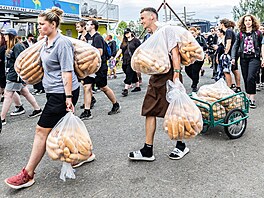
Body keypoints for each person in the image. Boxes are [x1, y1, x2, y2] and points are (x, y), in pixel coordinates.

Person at [4, 7, 94, 189]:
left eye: (41, 24)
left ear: (53, 24)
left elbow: (67, 72)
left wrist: (68, 97)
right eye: (38, 24)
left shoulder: (62, 44)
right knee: (62, 127)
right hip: (53, 91)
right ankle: (85, 153)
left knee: (41, 130)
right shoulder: (45, 42)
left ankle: (27, 174)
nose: (38, 27)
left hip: (63, 92)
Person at [128, 7, 189, 162]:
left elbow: (174, 53)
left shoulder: (166, 30)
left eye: (142, 18)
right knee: (149, 109)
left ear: (152, 17)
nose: (141, 21)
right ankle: (148, 150)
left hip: (169, 75)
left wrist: (176, 74)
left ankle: (181, 145)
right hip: (156, 77)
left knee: (175, 111)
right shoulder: (152, 35)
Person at [79, 19, 120, 120]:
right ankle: (87, 111)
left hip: (99, 68)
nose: (86, 26)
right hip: (90, 68)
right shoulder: (87, 37)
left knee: (103, 87)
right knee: (87, 87)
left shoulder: (97, 38)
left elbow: (99, 53)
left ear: (93, 26)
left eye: (88, 24)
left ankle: (115, 104)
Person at [0, 28, 42, 125]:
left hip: (15, 76)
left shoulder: (17, 46)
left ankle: (2, 118)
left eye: (6, 35)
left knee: (7, 95)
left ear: (10, 36)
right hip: (14, 75)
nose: (4, 37)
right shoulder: (12, 46)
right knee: (25, 92)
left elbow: (22, 62)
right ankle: (37, 109)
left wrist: (23, 76)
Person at [231, 14, 263, 109]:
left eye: (249, 20)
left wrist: (263, 58)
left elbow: (262, 46)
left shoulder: (258, 33)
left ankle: (252, 98)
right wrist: (233, 58)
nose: (248, 22)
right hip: (244, 58)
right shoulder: (240, 34)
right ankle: (248, 96)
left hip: (255, 58)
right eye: (246, 20)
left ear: (253, 22)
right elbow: (235, 46)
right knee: (245, 77)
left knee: (251, 77)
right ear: (243, 22)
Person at [75, 20, 96, 110]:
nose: (77, 29)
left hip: (89, 65)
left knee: (87, 86)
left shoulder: (89, 37)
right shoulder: (80, 36)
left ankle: (87, 107)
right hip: (82, 64)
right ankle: (91, 99)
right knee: (85, 85)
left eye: (78, 27)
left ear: (83, 27)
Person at [114, 28, 141, 97]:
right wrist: (115, 57)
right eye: (125, 33)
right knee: (128, 71)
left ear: (131, 32)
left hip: (132, 60)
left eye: (128, 33)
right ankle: (137, 86)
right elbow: (120, 50)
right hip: (125, 60)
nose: (127, 34)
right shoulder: (124, 41)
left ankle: (126, 89)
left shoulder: (136, 41)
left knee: (129, 72)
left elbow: (139, 50)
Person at [219, 18, 241, 92]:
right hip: (234, 53)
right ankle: (237, 86)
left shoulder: (228, 31)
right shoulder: (229, 31)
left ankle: (230, 86)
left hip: (231, 53)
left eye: (219, 24)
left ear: (222, 24)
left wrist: (225, 53)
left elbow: (229, 43)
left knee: (227, 70)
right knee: (234, 69)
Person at [185, 27, 206, 92]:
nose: (191, 34)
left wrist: (198, 49)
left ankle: (194, 85)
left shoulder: (200, 39)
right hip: (190, 58)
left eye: (192, 33)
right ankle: (195, 80)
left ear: (196, 32)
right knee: (187, 70)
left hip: (198, 58)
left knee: (195, 71)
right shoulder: (187, 40)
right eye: (190, 33)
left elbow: (205, 47)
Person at [256, 25, 264, 90]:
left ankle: (262, 82)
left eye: (263, 29)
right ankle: (257, 83)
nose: (262, 30)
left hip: (262, 55)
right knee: (257, 70)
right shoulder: (256, 36)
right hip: (258, 55)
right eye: (260, 29)